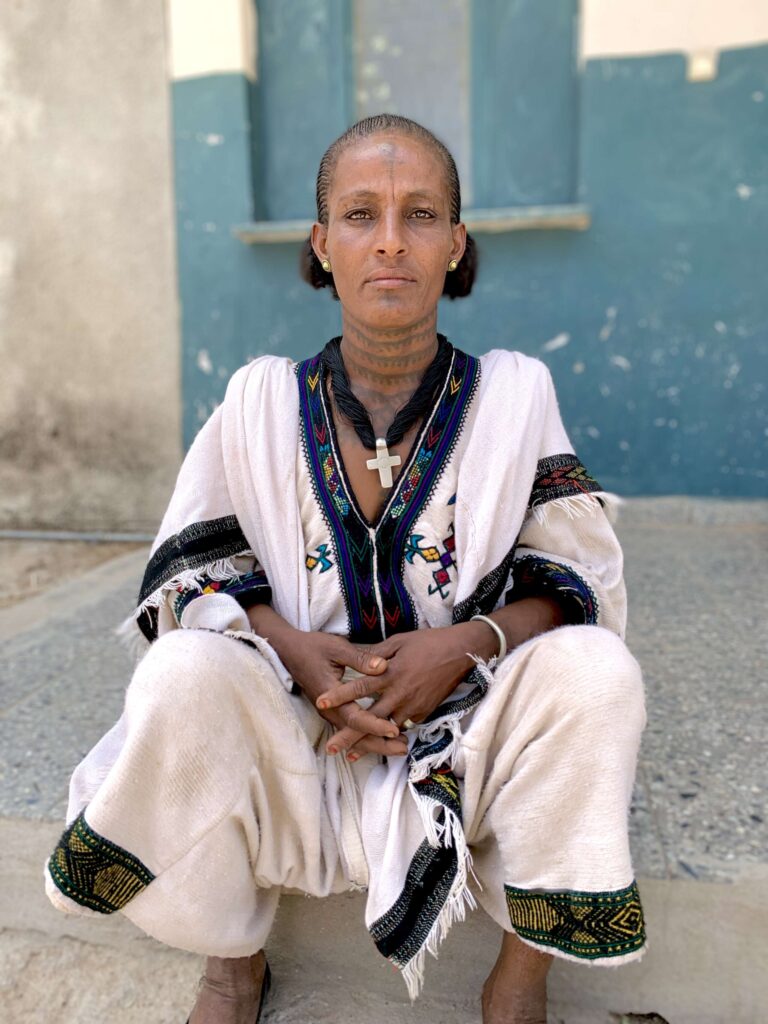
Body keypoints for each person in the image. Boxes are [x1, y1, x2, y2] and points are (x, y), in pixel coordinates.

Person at [44, 114, 647, 1024]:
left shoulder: (515, 396)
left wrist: (462, 645)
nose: (393, 240)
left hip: (458, 736)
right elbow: (186, 577)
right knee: (181, 672)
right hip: (299, 736)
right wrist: (290, 648)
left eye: (422, 213)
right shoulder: (258, 402)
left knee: (599, 674)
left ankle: (520, 979)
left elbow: (574, 578)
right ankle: (231, 959)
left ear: (457, 242)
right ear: (322, 245)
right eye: (362, 215)